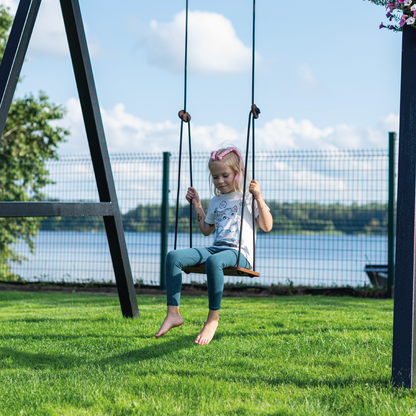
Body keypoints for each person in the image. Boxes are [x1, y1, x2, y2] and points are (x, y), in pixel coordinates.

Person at [155, 146, 273, 345]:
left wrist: (259, 197)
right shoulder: (216, 201)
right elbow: (206, 229)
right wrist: (197, 205)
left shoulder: (248, 197)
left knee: (213, 261)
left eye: (225, 175)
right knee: (173, 256)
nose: (219, 181)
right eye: (215, 177)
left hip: (239, 252)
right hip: (217, 247)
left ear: (239, 173)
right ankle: (173, 314)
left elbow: (267, 226)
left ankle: (212, 318)